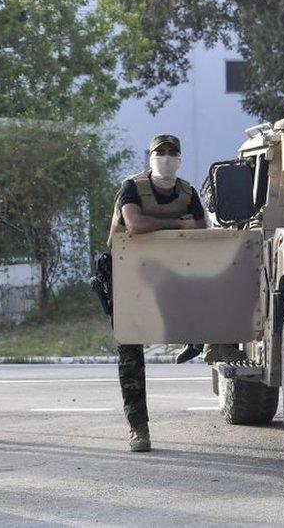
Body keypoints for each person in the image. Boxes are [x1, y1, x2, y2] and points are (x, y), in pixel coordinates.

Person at [108, 134, 206, 452]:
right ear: (149, 157)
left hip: (171, 276)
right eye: (159, 152)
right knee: (131, 353)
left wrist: (175, 226)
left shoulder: (187, 191)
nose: (165, 157)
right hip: (129, 278)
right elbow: (134, 223)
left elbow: (202, 230)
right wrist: (179, 223)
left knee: (216, 309)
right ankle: (138, 428)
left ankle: (200, 342)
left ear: (179, 157)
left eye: (171, 152)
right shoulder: (133, 187)